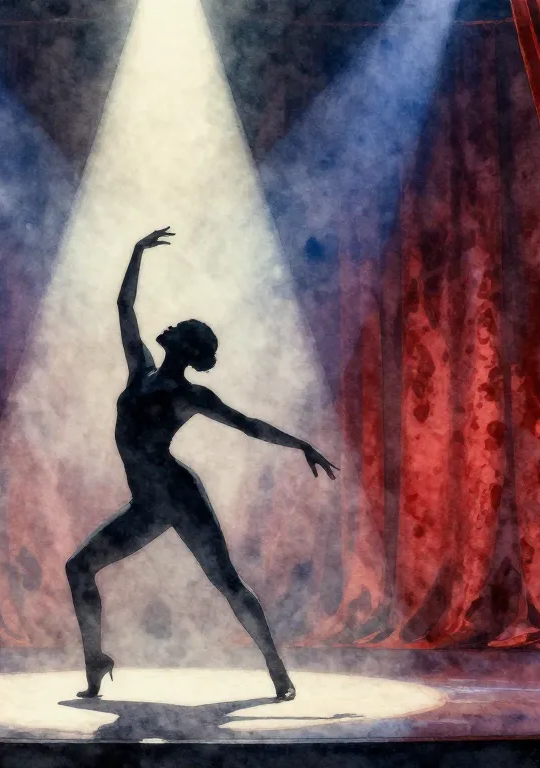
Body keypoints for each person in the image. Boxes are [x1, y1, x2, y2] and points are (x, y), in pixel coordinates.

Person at [65, 227, 339, 701]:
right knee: (79, 568)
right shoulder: (140, 370)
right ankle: (96, 661)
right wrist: (136, 252)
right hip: (147, 505)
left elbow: (247, 425)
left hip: (180, 497)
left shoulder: (188, 395)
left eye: (178, 327)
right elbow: (124, 306)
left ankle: (277, 669)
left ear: (186, 349)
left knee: (226, 581)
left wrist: (301, 445)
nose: (168, 325)